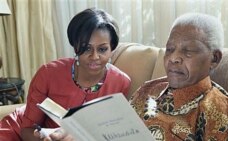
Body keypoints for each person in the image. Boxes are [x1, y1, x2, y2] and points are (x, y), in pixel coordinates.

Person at [0, 8, 131, 141]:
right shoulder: (48, 73)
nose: (94, 56)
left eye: (102, 49)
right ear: (75, 47)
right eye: (86, 48)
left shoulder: (121, 83)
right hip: (21, 133)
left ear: (112, 49)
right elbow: (27, 130)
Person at [130, 13, 228, 141]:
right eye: (169, 49)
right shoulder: (147, 89)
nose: (173, 58)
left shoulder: (223, 111)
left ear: (214, 58)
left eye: (188, 51)